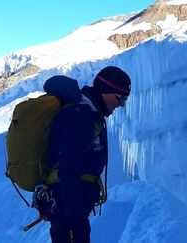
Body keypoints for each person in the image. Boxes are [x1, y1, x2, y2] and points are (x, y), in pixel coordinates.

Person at [43, 66, 131, 243]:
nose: (120, 104)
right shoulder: (81, 116)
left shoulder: (88, 112)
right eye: (119, 97)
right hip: (67, 208)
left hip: (68, 206)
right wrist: (77, 220)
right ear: (106, 90)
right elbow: (69, 169)